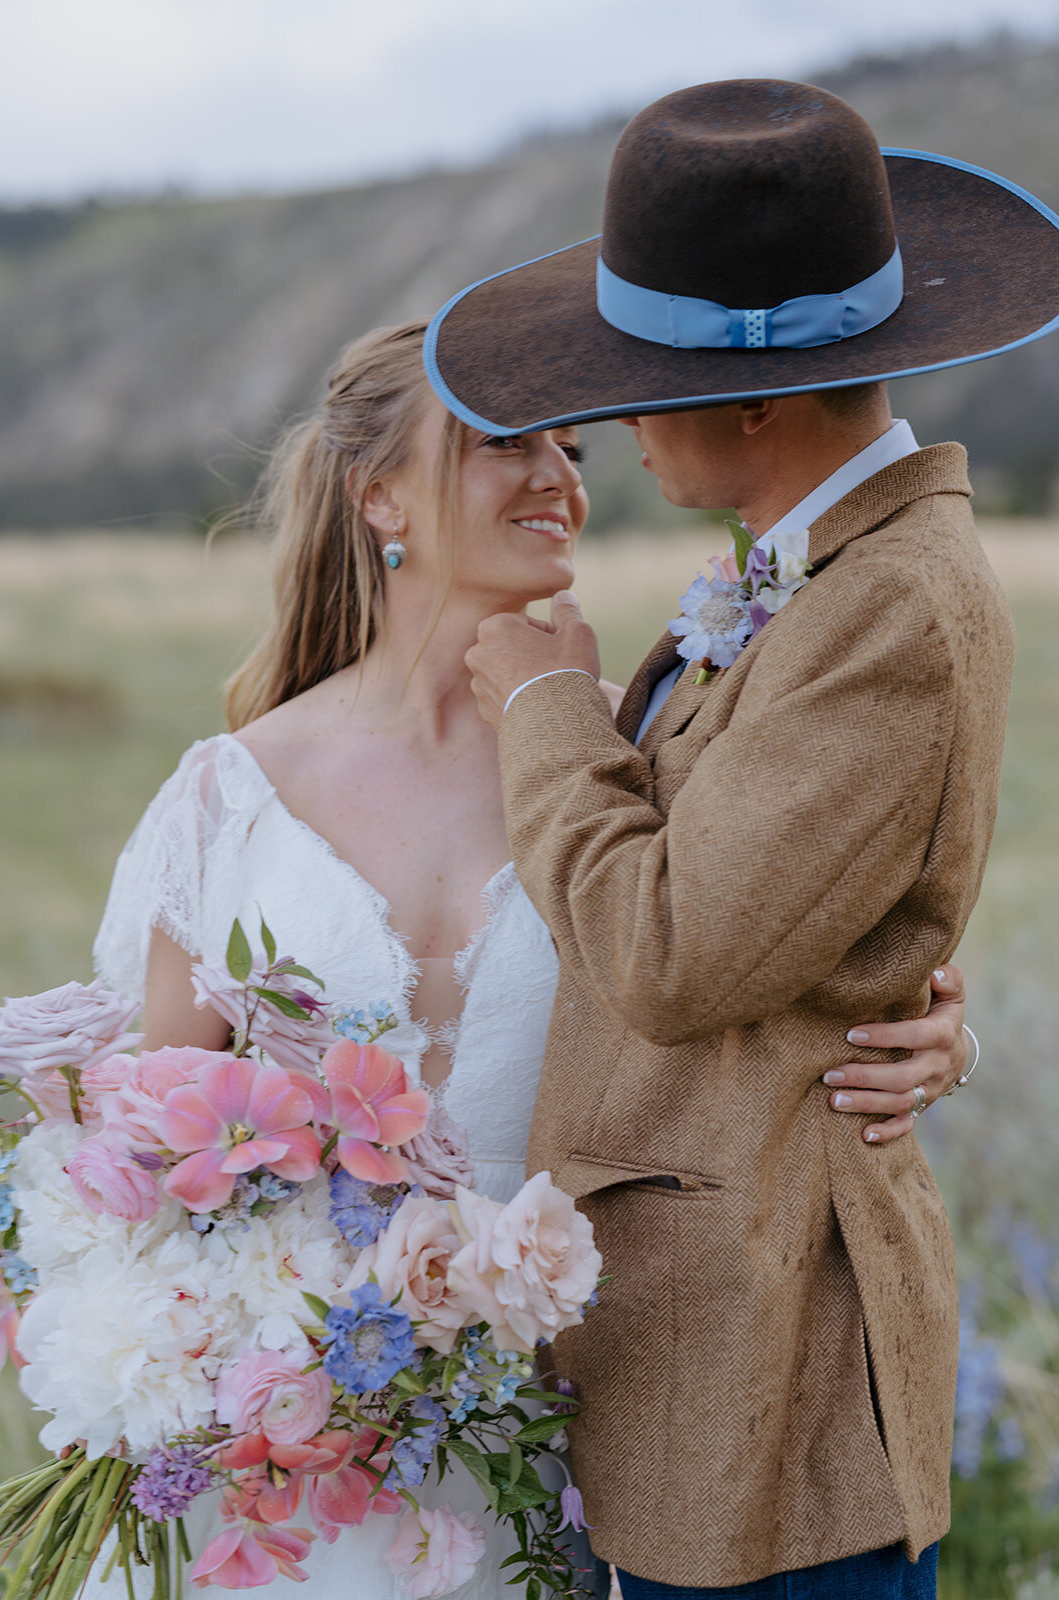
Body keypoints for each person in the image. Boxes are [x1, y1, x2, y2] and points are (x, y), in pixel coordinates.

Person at [93, 319, 971, 1600]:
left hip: (574, 1442)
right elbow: (141, 1151)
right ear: (379, 492)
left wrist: (938, 1031)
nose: (562, 473)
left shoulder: (632, 766)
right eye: (507, 440)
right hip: (287, 1455)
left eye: (572, 443)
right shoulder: (229, 797)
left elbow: (759, 946)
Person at [432, 81, 1059, 1599]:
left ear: (755, 398)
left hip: (773, 1382)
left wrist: (550, 706)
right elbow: (790, 895)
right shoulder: (819, 572)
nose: (614, 431)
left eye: (638, 383)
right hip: (700, 1354)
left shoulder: (889, 604)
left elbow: (669, 952)